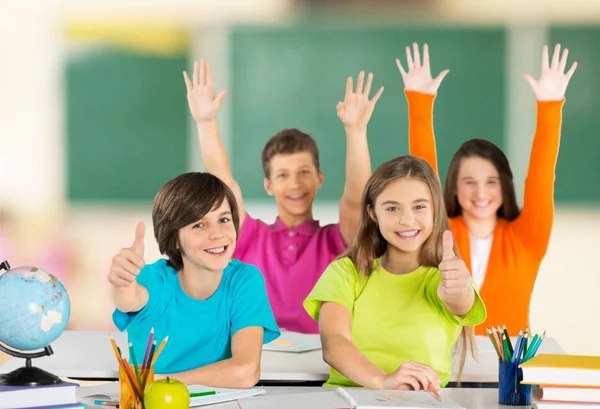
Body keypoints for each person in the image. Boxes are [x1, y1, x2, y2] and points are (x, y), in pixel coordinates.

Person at [183, 60, 383, 333]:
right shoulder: (251, 236)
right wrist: (206, 122)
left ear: (319, 178)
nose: (294, 184)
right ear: (268, 185)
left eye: (303, 172)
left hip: (322, 363)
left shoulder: (336, 241)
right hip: (256, 361)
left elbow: (356, 198)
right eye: (283, 175)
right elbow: (224, 184)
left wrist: (356, 130)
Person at [399, 43, 576, 335]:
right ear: (454, 188)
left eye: (491, 182)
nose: (481, 194)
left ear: (505, 187)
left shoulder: (527, 238)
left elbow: (541, 180)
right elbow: (422, 178)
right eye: (469, 182)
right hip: (441, 368)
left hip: (507, 370)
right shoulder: (441, 232)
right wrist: (420, 102)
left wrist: (550, 106)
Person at [304, 155, 486, 390]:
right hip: (349, 401)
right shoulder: (346, 273)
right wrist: (383, 380)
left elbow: (460, 301)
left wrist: (459, 288)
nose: (407, 220)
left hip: (421, 404)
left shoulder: (443, 278)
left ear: (435, 210)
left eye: (419, 206)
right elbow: (334, 342)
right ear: (373, 214)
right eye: (392, 208)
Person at [109, 172, 280, 387]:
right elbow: (128, 300)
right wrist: (122, 280)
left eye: (224, 219)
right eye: (199, 225)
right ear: (175, 238)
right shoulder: (156, 279)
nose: (217, 234)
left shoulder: (244, 280)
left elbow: (246, 372)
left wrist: (161, 382)